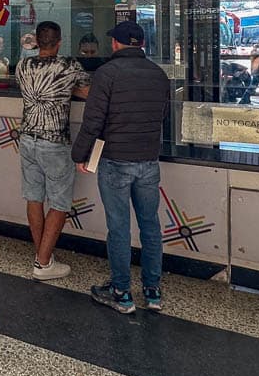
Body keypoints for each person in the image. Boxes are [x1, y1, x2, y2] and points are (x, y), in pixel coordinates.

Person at [71, 21, 170, 315]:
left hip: (115, 160)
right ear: (140, 44)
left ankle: (121, 292)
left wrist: (80, 154)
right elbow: (162, 115)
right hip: (148, 161)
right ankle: (152, 291)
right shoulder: (158, 74)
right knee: (150, 225)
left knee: (119, 227)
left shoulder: (107, 74)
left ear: (116, 44)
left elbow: (93, 120)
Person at [15, 21, 91, 281]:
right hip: (54, 142)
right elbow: (90, 92)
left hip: (26, 138)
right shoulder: (68, 66)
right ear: (59, 42)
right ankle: (43, 263)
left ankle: (42, 255)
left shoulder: (22, 65)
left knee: (34, 198)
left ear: (36, 41)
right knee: (59, 202)